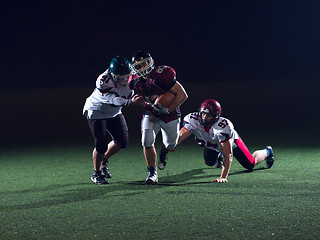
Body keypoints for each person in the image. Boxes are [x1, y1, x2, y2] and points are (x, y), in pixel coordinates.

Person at [160, 99, 275, 183]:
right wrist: (171, 145)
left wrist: (223, 176)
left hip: (231, 144)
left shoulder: (223, 127)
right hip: (212, 145)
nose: (204, 117)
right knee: (209, 162)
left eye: (208, 115)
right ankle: (218, 153)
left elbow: (228, 155)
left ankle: (267, 151)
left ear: (216, 116)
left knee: (250, 164)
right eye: (203, 114)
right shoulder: (193, 120)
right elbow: (179, 136)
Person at [128, 51, 188, 184]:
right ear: (134, 68)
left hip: (170, 114)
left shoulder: (163, 74)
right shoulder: (134, 81)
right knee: (146, 140)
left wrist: (167, 109)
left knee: (171, 143)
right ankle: (152, 173)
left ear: (151, 62)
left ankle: (163, 152)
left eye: (144, 63)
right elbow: (135, 98)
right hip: (151, 113)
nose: (143, 67)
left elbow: (183, 95)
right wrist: (135, 101)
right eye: (138, 66)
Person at [83, 56, 145, 184]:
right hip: (97, 111)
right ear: (112, 74)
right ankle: (97, 173)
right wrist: (130, 102)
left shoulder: (134, 74)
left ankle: (104, 159)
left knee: (122, 142)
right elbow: (114, 100)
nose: (124, 79)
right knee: (101, 145)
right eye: (120, 77)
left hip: (114, 112)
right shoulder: (103, 80)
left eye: (126, 76)